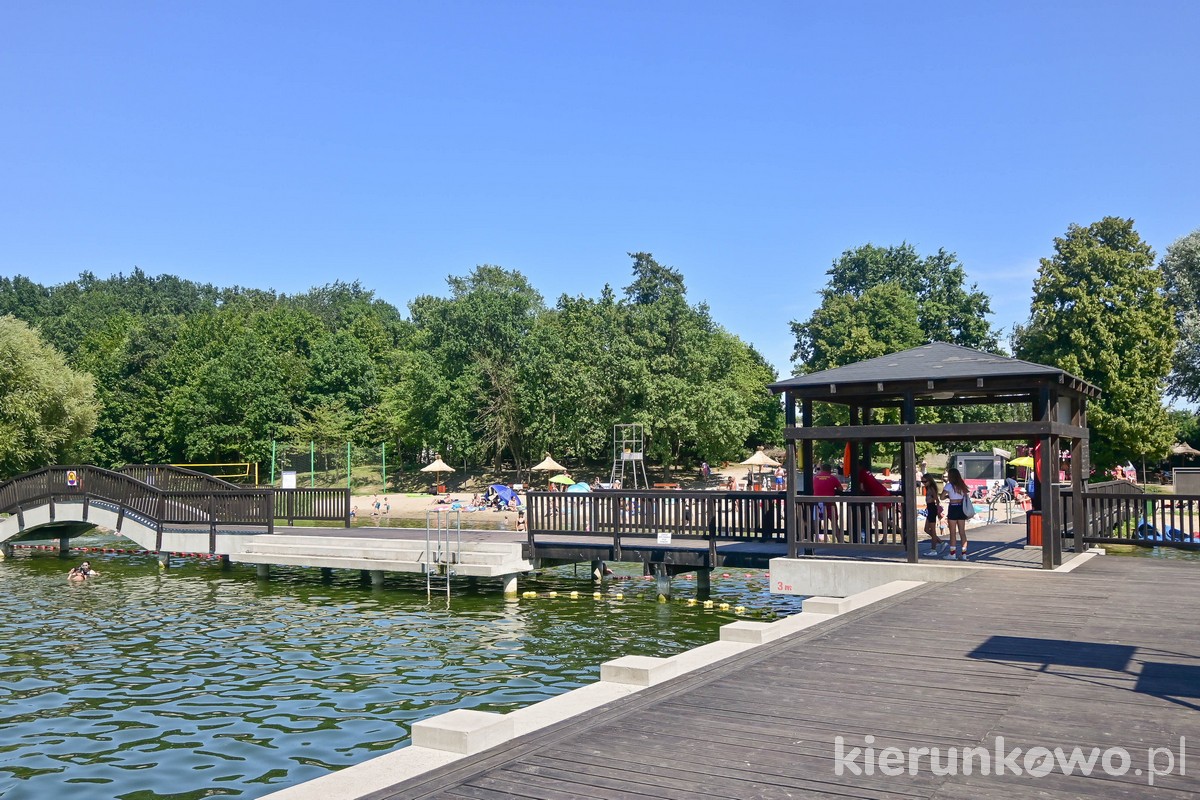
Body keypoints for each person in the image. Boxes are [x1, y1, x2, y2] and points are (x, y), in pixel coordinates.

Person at [940, 467, 971, 560]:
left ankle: (952, 554)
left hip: (953, 507)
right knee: (962, 532)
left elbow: (941, 497)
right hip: (961, 508)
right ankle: (964, 554)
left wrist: (947, 496)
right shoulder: (962, 485)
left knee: (952, 533)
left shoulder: (949, 486)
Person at [922, 474, 945, 553]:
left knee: (933, 530)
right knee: (926, 529)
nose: (923, 483)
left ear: (929, 480)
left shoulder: (931, 488)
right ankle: (941, 542)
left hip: (932, 508)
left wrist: (938, 511)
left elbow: (937, 500)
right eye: (922, 481)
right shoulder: (928, 488)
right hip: (930, 508)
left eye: (925, 481)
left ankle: (933, 549)